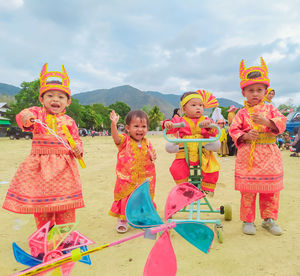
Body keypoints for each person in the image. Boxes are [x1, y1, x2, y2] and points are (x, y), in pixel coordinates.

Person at [2, 63, 84, 229]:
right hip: (40, 169)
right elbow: (23, 116)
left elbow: (76, 140)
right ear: (42, 99)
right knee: (42, 209)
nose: (55, 99)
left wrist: (78, 149)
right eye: (50, 96)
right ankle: (45, 243)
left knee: (66, 209)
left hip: (64, 171)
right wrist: (27, 117)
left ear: (68, 102)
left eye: (61, 97)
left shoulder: (69, 121)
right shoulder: (38, 114)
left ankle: (63, 243)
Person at [229, 57, 287, 236]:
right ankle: (248, 220)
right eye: (251, 90)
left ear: (265, 91)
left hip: (269, 153)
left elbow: (281, 122)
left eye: (259, 90)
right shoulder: (241, 113)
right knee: (248, 190)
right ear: (244, 93)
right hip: (249, 155)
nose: (255, 93)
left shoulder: (271, 110)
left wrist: (267, 122)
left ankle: (269, 219)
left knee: (270, 191)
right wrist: (245, 135)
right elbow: (233, 129)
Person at [163, 90, 220, 194]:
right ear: (184, 109)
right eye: (193, 105)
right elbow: (170, 127)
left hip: (202, 151)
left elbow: (214, 131)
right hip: (185, 151)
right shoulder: (180, 120)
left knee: (212, 167)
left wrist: (209, 125)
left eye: (200, 105)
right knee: (176, 168)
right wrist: (168, 124)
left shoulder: (206, 119)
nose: (198, 108)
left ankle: (207, 188)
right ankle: (184, 188)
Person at [109, 110, 156, 233]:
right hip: (127, 178)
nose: (140, 130)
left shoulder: (147, 143)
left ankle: (142, 218)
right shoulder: (125, 141)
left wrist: (153, 156)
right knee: (126, 197)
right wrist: (113, 125)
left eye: (143, 126)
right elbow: (116, 138)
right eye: (136, 126)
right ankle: (123, 220)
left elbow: (152, 156)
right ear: (128, 128)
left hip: (143, 178)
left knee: (142, 197)